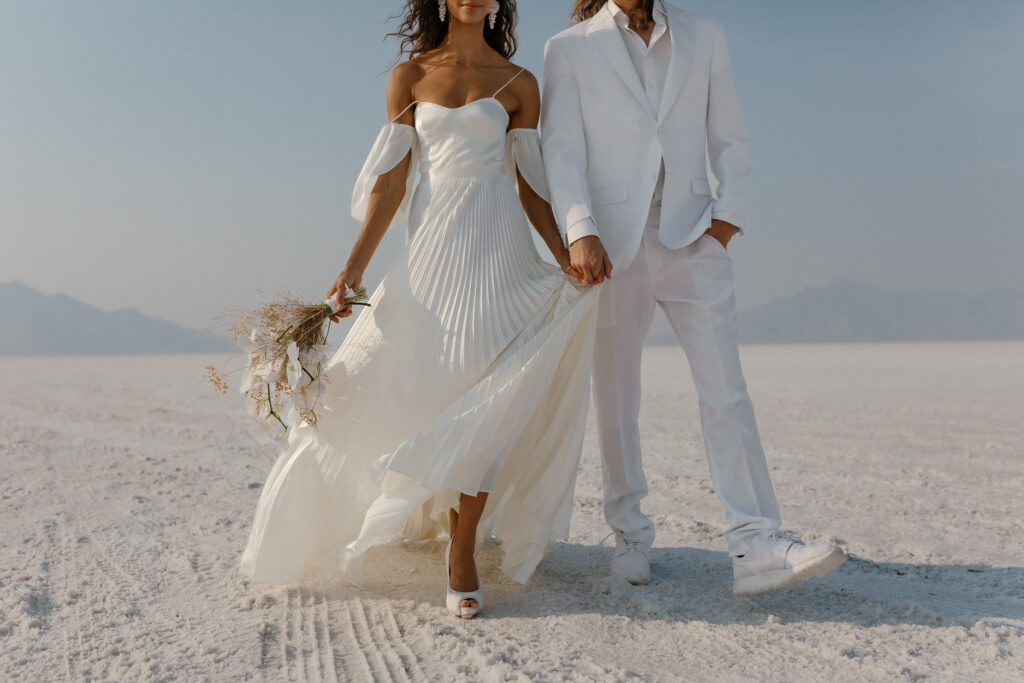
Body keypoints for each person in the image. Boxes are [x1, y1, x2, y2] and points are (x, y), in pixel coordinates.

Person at [239, 0, 600, 619]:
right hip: (431, 253)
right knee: (387, 380)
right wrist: (353, 267)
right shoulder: (410, 76)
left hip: (498, 250)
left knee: (486, 392)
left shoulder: (520, 84)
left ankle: (463, 547)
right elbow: (391, 183)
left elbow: (529, 183)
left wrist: (564, 251)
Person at [541, 0, 845, 595]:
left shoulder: (704, 36)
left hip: (693, 236)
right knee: (617, 400)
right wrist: (579, 229)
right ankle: (629, 537)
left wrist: (726, 220)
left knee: (726, 389)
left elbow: (729, 136)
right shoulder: (569, 48)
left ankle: (755, 542)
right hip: (610, 247)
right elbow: (561, 149)